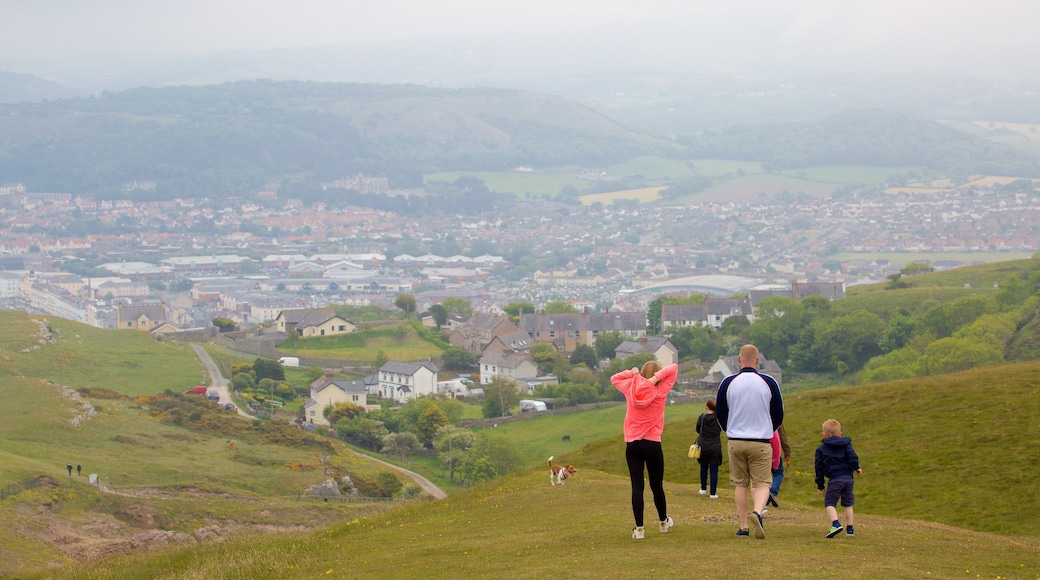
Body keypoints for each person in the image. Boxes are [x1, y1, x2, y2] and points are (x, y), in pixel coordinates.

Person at [716, 344, 783, 539]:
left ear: (738, 360)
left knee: (740, 484)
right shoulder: (768, 382)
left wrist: (729, 430)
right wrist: (769, 430)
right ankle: (758, 511)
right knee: (762, 483)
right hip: (761, 440)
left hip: (736, 439)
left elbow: (721, 412)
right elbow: (778, 413)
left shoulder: (728, 382)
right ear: (757, 361)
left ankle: (743, 526)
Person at [611, 360, 679, 540]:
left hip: (633, 444)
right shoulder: (661, 390)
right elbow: (674, 369)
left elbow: (614, 378)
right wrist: (655, 379)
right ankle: (663, 522)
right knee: (657, 486)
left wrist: (632, 373)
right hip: (653, 443)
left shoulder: (631, 386)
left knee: (637, 486)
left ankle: (639, 529)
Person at [815, 419, 863, 538]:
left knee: (830, 503)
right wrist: (857, 468)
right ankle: (850, 529)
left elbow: (819, 468)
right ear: (840, 433)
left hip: (835, 479)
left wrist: (820, 485)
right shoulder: (846, 445)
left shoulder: (821, 449)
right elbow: (852, 457)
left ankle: (835, 524)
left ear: (824, 435)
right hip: (848, 478)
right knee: (848, 503)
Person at [695, 398, 724, 498]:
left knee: (703, 467)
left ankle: (703, 488)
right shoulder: (719, 419)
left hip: (703, 444)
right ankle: (713, 493)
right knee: (714, 470)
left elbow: (698, 430)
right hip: (715, 445)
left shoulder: (702, 417)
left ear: (707, 407)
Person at [767, 424, 791, 510]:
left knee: (762, 475)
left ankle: (763, 496)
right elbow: (782, 436)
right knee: (778, 473)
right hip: (774, 451)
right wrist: (787, 454)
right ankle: (772, 492)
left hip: (758, 450)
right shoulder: (776, 417)